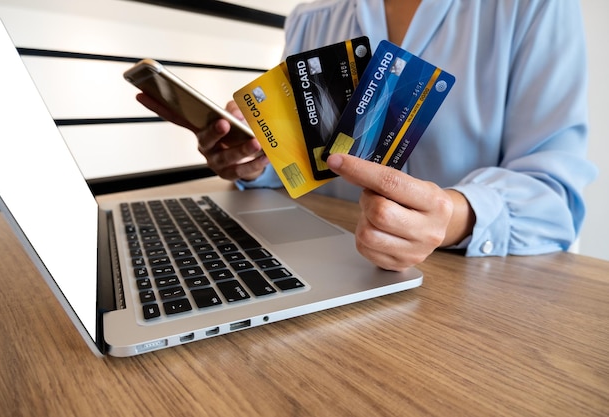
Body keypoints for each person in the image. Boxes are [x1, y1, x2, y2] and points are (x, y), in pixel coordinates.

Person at [137, 0, 597, 272]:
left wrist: (450, 217)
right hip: (325, 266)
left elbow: (554, 197)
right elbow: (299, 165)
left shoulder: (534, 7)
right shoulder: (311, 17)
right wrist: (254, 161)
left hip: (469, 292)